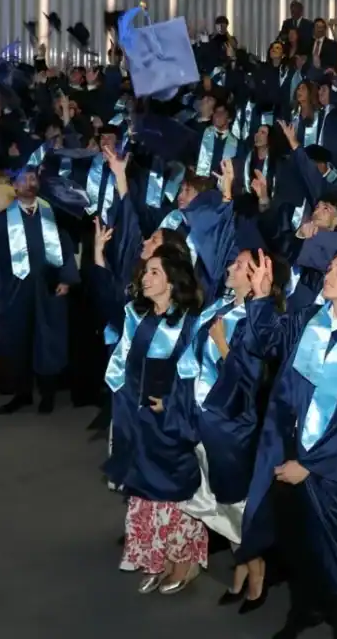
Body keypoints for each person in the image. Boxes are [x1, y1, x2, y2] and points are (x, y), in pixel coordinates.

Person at [235, 250, 337, 639]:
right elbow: (263, 342)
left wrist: (311, 465)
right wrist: (260, 297)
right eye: (330, 267)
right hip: (285, 446)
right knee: (296, 542)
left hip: (325, 466)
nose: (330, 274)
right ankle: (303, 610)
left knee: (336, 553)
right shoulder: (309, 320)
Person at [106, 243, 209, 593]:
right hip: (141, 423)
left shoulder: (192, 324)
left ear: (171, 282)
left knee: (174, 496)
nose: (145, 278)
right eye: (145, 271)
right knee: (146, 494)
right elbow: (125, 368)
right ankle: (157, 558)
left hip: (171, 426)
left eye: (154, 273)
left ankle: (184, 563)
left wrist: (171, 409)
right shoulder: (142, 317)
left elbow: (198, 379)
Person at [0, 169, 79, 415]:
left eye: (33, 179)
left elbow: (66, 247)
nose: (30, 184)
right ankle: (22, 394)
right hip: (17, 287)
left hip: (48, 285)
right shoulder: (4, 219)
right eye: (24, 180)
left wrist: (66, 278)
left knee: (48, 341)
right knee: (19, 342)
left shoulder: (52, 213)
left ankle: (47, 395)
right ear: (14, 185)